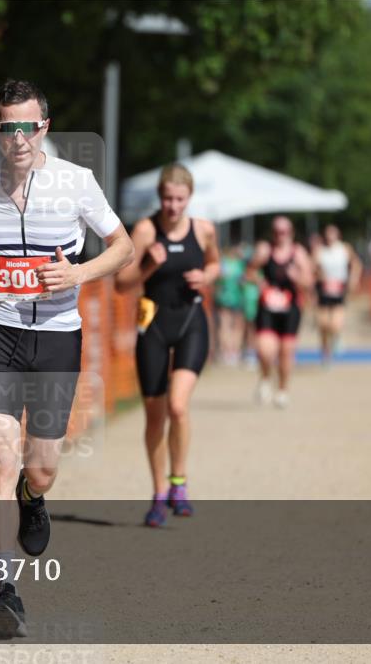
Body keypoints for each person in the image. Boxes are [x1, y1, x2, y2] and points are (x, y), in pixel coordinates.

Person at [0, 79, 134, 638]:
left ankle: (34, 496)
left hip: (56, 336)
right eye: (7, 127)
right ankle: (4, 591)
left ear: (44, 127)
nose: (18, 138)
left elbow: (123, 247)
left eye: (27, 126)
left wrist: (77, 273)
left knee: (40, 467)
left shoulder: (76, 183)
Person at [114, 164, 220, 527]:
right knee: (155, 415)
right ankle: (159, 493)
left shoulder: (204, 230)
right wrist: (146, 266)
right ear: (159, 198)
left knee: (178, 405)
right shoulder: (145, 230)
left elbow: (216, 263)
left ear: (189, 198)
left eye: (179, 199)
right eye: (167, 199)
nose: (173, 206)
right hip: (153, 324)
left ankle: (179, 482)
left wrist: (206, 276)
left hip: (191, 321)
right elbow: (121, 284)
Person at [245, 216, 315, 408]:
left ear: (291, 233)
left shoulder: (298, 253)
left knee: (286, 352)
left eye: (284, 232)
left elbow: (309, 282)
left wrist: (297, 278)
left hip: (290, 309)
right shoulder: (264, 250)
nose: (280, 235)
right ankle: (266, 377)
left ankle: (283, 390)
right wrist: (259, 282)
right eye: (276, 231)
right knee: (265, 350)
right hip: (267, 307)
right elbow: (249, 272)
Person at [313, 224, 362, 364]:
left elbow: (356, 264)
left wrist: (353, 278)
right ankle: (325, 351)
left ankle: (336, 338)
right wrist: (317, 274)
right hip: (323, 289)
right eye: (328, 234)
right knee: (323, 324)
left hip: (339, 288)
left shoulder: (344, 248)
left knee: (335, 323)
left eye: (333, 234)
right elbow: (312, 267)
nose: (330, 237)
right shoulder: (319, 250)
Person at [214, 244, 247, 366]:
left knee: (225, 326)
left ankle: (226, 352)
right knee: (235, 327)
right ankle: (234, 352)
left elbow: (218, 280)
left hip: (225, 298)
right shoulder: (240, 264)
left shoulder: (223, 263)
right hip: (236, 298)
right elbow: (243, 281)